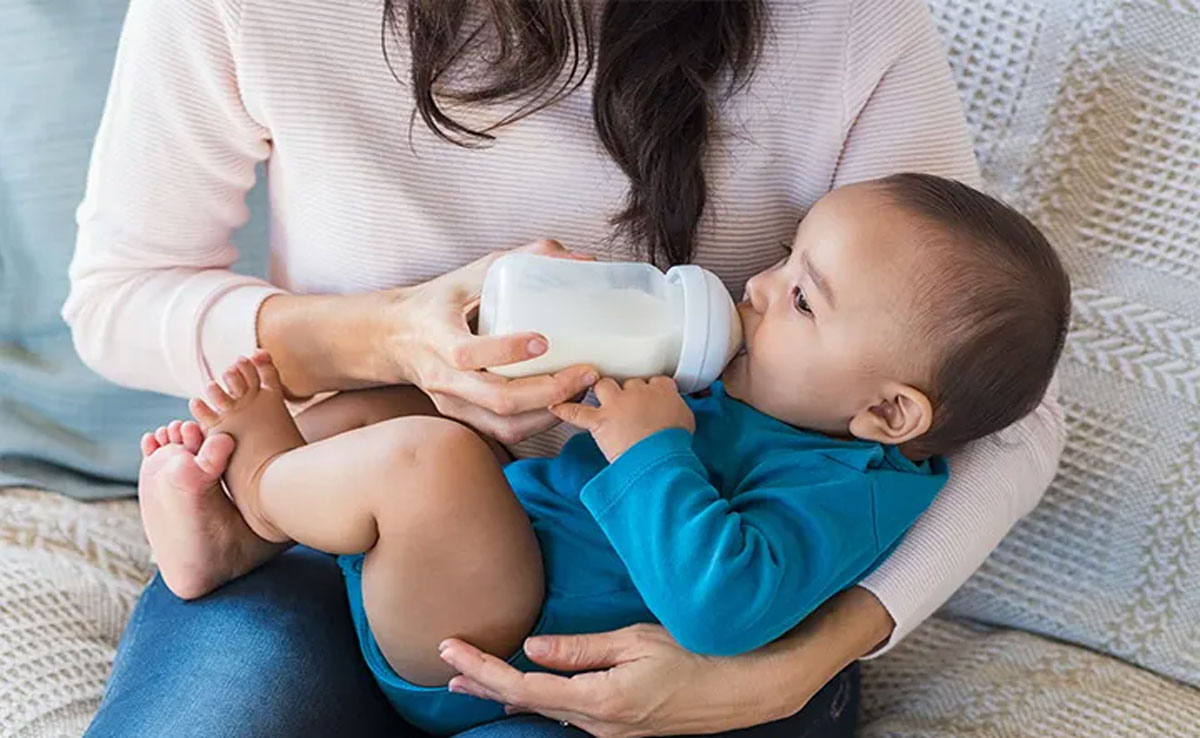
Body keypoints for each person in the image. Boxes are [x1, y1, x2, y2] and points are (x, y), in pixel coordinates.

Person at [64, 1, 1067, 736]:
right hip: (361, 536)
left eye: (801, 286)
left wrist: (792, 667)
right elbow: (119, 296)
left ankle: (259, 497)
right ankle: (251, 513)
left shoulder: (844, 25)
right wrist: (389, 334)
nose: (760, 287)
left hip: (637, 628)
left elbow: (995, 412)